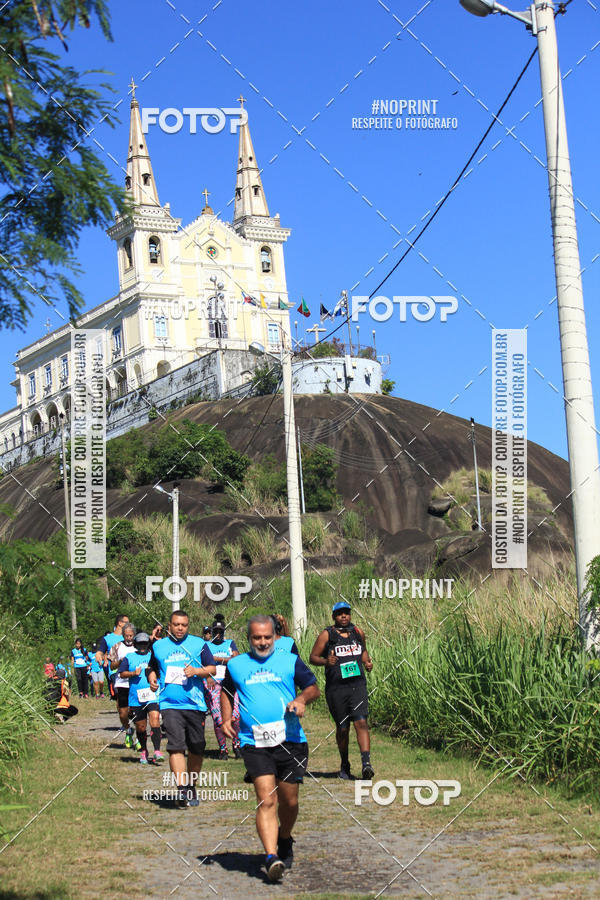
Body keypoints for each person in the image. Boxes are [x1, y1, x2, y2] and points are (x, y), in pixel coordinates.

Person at [221, 615, 319, 882]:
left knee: (289, 801)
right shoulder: (237, 665)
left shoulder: (289, 660)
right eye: (256, 638)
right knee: (267, 800)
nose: (262, 642)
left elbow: (313, 687)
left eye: (267, 637)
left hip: (290, 740)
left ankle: (285, 838)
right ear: (249, 638)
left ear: (275, 636)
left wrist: (300, 699)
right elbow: (227, 691)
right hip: (254, 742)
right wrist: (226, 716)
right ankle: (271, 856)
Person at [148, 610, 216, 808]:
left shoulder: (198, 644)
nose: (180, 628)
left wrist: (196, 671)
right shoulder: (159, 646)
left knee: (196, 748)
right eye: (176, 624)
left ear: (188, 626)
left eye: (184, 625)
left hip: (195, 705)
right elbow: (151, 667)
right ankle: (181, 789)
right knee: (176, 746)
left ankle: (191, 785)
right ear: (169, 625)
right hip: (170, 704)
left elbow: (212, 668)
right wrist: (151, 677)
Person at [310, 601, 374, 780]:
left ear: (350, 614)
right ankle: (345, 763)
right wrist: (325, 662)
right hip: (336, 688)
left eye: (346, 613)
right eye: (339, 614)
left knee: (361, 722)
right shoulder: (327, 634)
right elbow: (313, 657)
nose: (343, 616)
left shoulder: (358, 632)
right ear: (334, 616)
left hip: (358, 686)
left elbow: (363, 652)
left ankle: (366, 764)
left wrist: (367, 662)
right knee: (343, 728)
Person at [119, 632, 164, 764]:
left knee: (155, 720)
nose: (142, 647)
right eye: (140, 644)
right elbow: (121, 673)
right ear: (135, 645)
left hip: (153, 694)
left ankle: (157, 751)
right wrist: (133, 673)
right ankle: (144, 751)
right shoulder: (130, 657)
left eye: (145, 644)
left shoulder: (153, 656)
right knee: (141, 727)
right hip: (136, 697)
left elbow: (161, 670)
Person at [204, 614, 241, 760]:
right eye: (216, 632)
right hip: (213, 683)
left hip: (229, 682)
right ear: (212, 632)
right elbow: (204, 663)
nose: (218, 634)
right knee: (218, 719)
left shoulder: (230, 643)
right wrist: (226, 659)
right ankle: (223, 749)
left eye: (221, 632)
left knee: (235, 717)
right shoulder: (206, 645)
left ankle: (236, 745)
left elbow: (236, 658)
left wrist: (217, 659)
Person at [96, 615, 130, 700]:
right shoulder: (107, 639)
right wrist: (98, 655)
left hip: (129, 671)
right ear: (120, 623)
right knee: (121, 698)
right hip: (115, 672)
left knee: (130, 697)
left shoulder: (129, 637)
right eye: (127, 622)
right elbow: (100, 651)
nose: (129, 625)